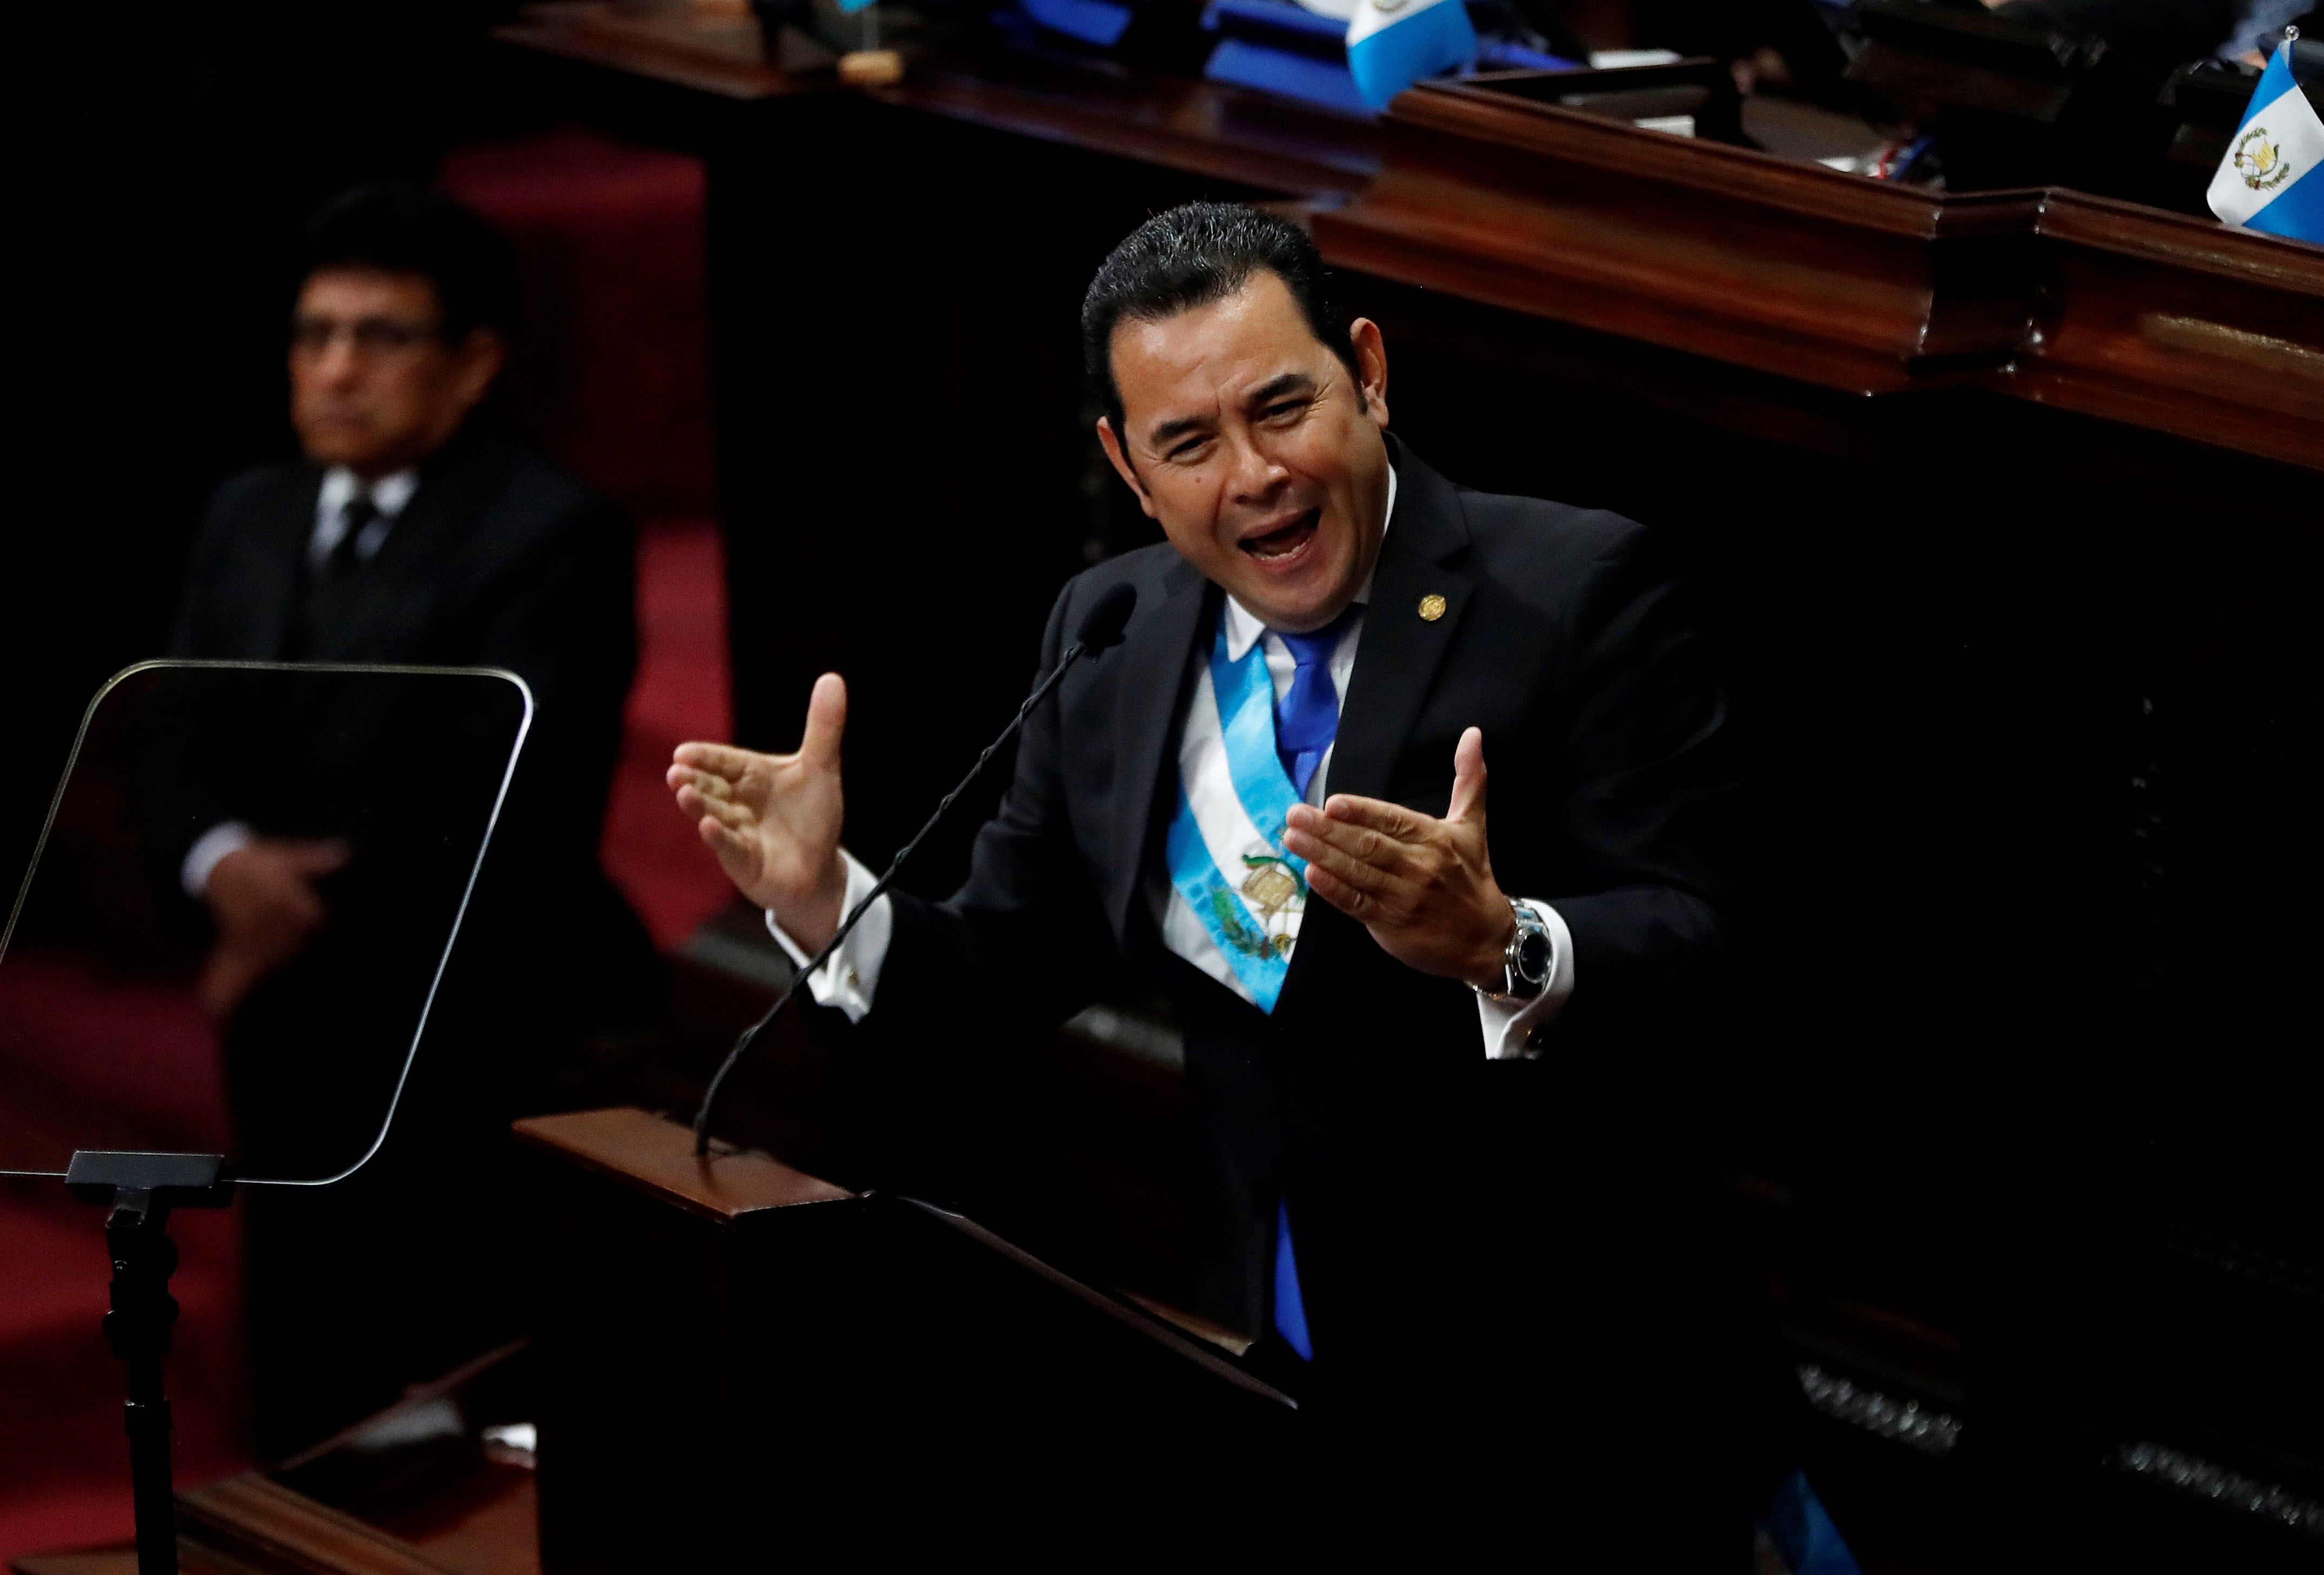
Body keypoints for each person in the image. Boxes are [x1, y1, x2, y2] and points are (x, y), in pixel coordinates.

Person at [670, 203, 1790, 1554]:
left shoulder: (1576, 592)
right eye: (1189, 443)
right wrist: (820, 897)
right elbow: (1000, 969)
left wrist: (1507, 942)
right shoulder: (1114, 629)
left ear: (1366, 372)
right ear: (1127, 466)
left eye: (1282, 408)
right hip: (1281, 1355)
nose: (1253, 474)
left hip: (1576, 1382)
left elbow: (1714, 941)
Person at [165, 181, 651, 1453]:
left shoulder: (554, 536)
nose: (336, 370)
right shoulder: (246, 512)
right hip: (284, 1023)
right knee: (302, 1354)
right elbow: (172, 733)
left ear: (474, 361)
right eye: (314, 336)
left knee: (441, 1374)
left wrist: (289, 911)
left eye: (379, 339)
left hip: (461, 1013)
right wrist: (220, 862)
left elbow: (500, 799)